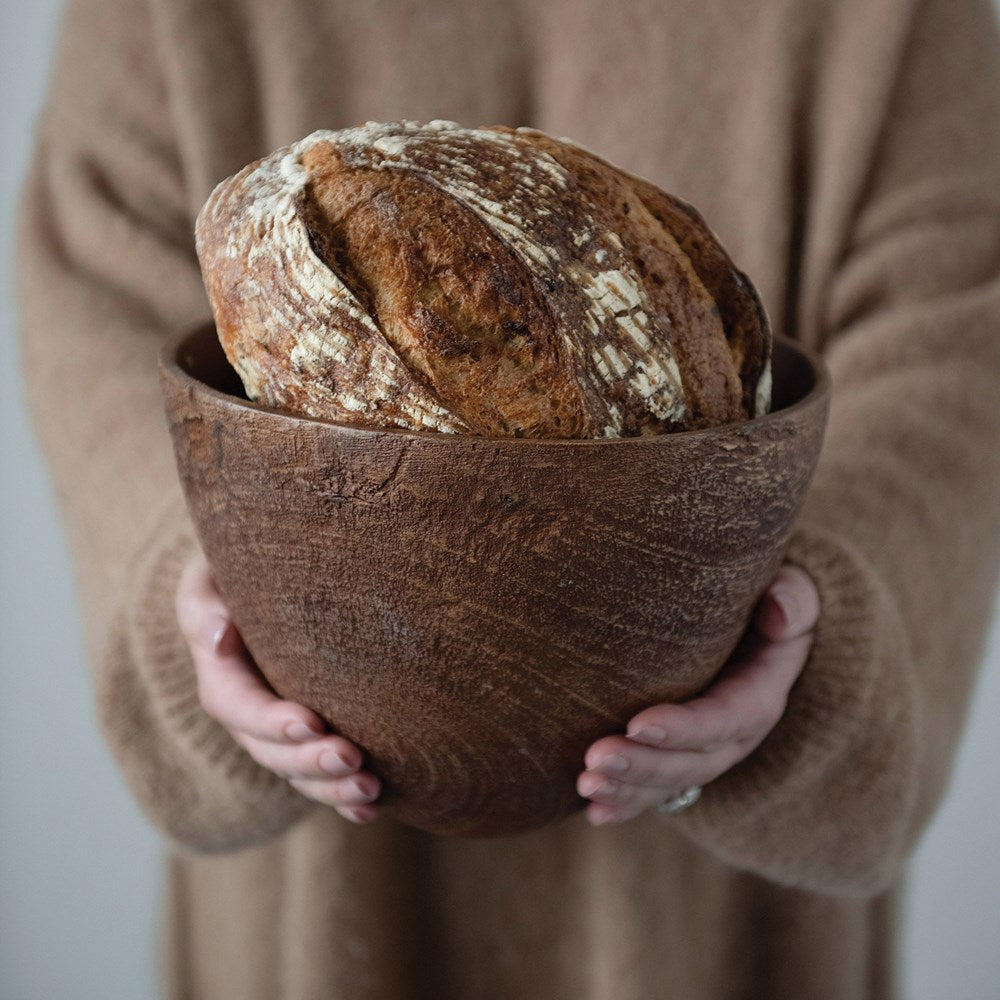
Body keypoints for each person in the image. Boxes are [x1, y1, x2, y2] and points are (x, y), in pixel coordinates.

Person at [15, 0, 1000, 996]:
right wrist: (198, 587)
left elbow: (954, 336)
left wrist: (815, 640)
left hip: (720, 933)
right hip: (316, 898)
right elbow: (98, 288)